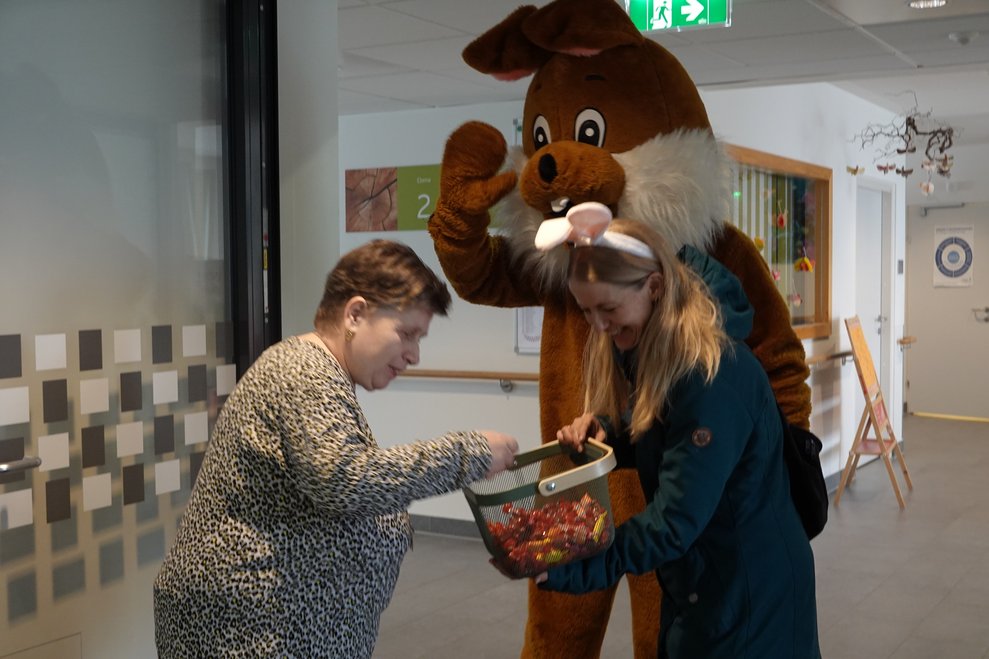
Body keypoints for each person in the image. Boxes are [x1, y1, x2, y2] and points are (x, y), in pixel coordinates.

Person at [153, 239, 519, 658]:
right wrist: (469, 452)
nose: (415, 354)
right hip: (249, 630)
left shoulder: (319, 372)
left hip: (281, 626)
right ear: (356, 313)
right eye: (406, 333)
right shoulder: (303, 372)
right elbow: (346, 481)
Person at [531, 202, 821, 658]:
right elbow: (660, 427)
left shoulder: (712, 376)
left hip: (750, 594)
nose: (599, 327)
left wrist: (576, 567)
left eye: (607, 308)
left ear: (655, 286)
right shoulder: (658, 350)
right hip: (705, 582)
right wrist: (606, 432)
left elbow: (672, 524)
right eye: (587, 312)